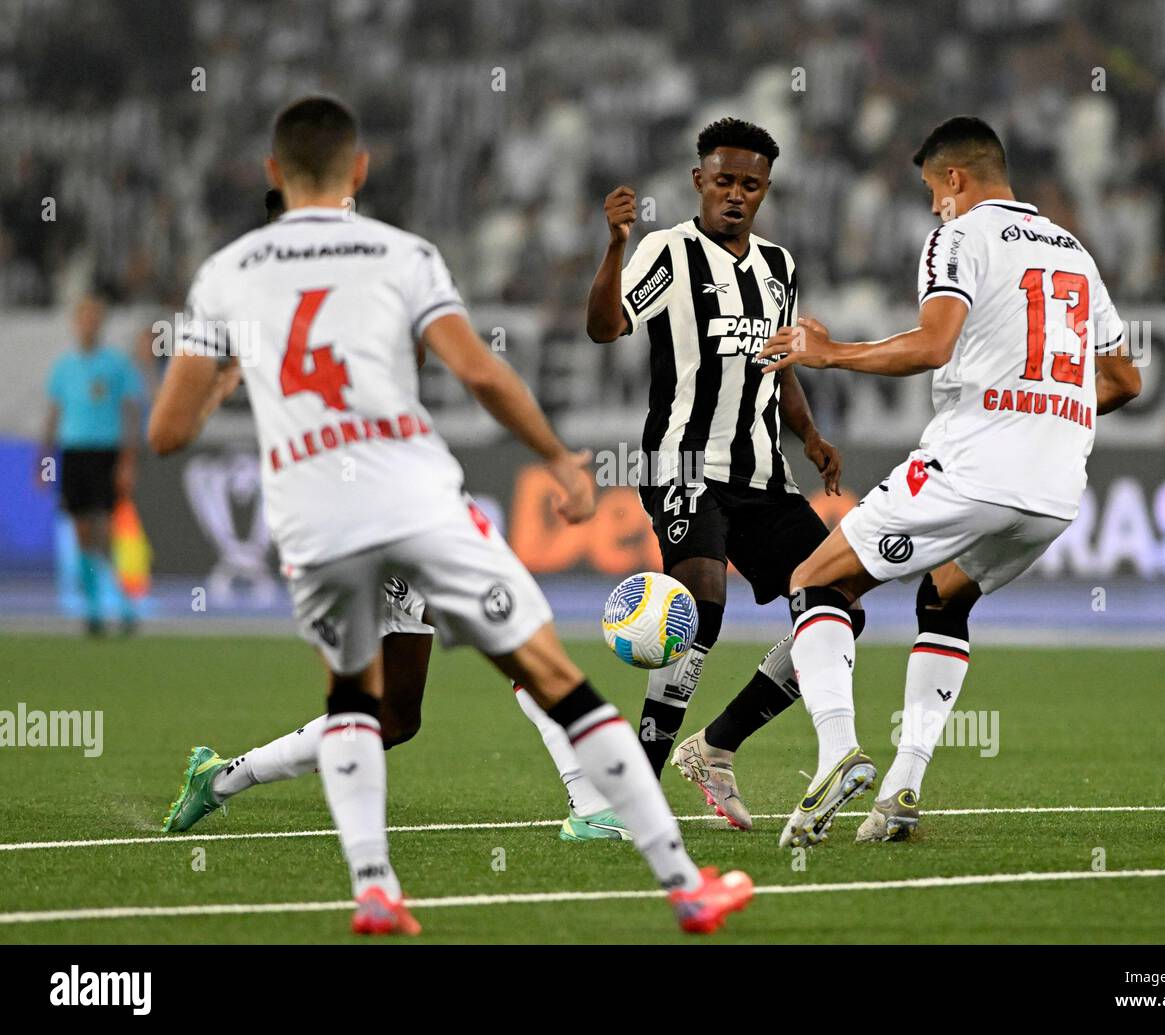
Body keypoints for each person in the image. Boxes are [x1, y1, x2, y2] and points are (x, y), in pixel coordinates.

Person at [149, 96, 752, 936]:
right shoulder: (401, 255)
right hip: (412, 498)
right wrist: (556, 458)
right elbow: (481, 373)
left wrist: (229, 375)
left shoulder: (227, 276)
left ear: (271, 175)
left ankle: (305, 840)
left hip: (316, 517)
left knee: (377, 709)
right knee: (545, 672)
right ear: (358, 171)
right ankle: (677, 878)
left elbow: (168, 433)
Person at [161, 190, 626, 845]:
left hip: (381, 497)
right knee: (509, 624)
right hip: (364, 506)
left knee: (394, 716)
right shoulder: (261, 302)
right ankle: (590, 800)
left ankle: (222, 778)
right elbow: (173, 426)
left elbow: (418, 361)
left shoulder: (351, 284)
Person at [757, 116, 1142, 847]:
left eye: (934, 191)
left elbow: (934, 344)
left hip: (973, 465)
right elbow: (1125, 378)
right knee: (943, 598)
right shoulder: (1073, 250)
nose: (934, 206)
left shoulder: (961, 235)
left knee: (816, 580)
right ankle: (903, 788)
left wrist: (830, 351)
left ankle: (838, 750)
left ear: (956, 179)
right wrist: (1047, 408)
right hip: (1055, 490)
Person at [586, 117, 860, 830]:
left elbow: (781, 362)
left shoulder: (780, 266)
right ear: (699, 181)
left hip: (764, 474)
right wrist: (614, 247)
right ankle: (635, 795)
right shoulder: (666, 252)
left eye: (751, 184)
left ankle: (718, 744)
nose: (736, 194)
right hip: (684, 462)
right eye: (724, 180)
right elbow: (605, 326)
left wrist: (810, 435)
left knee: (839, 605)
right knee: (698, 607)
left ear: (765, 190)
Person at [40, 295, 144, 636]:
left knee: (111, 531)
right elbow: (54, 413)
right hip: (74, 453)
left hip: (105, 452)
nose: (89, 324)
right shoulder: (64, 366)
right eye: (84, 318)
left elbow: (131, 413)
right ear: (76, 322)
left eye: (95, 319)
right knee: (82, 531)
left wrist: (128, 461)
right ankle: (94, 607)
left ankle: (127, 604)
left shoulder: (115, 364)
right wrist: (44, 459)